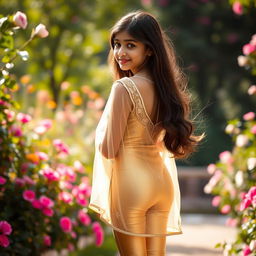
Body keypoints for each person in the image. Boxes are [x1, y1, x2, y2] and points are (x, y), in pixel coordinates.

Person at [89, 11, 203, 256]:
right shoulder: (166, 89)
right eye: (117, 44)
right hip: (161, 185)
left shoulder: (124, 87)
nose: (120, 53)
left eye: (130, 45)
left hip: (132, 186)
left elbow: (108, 149)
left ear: (149, 50)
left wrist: (100, 130)